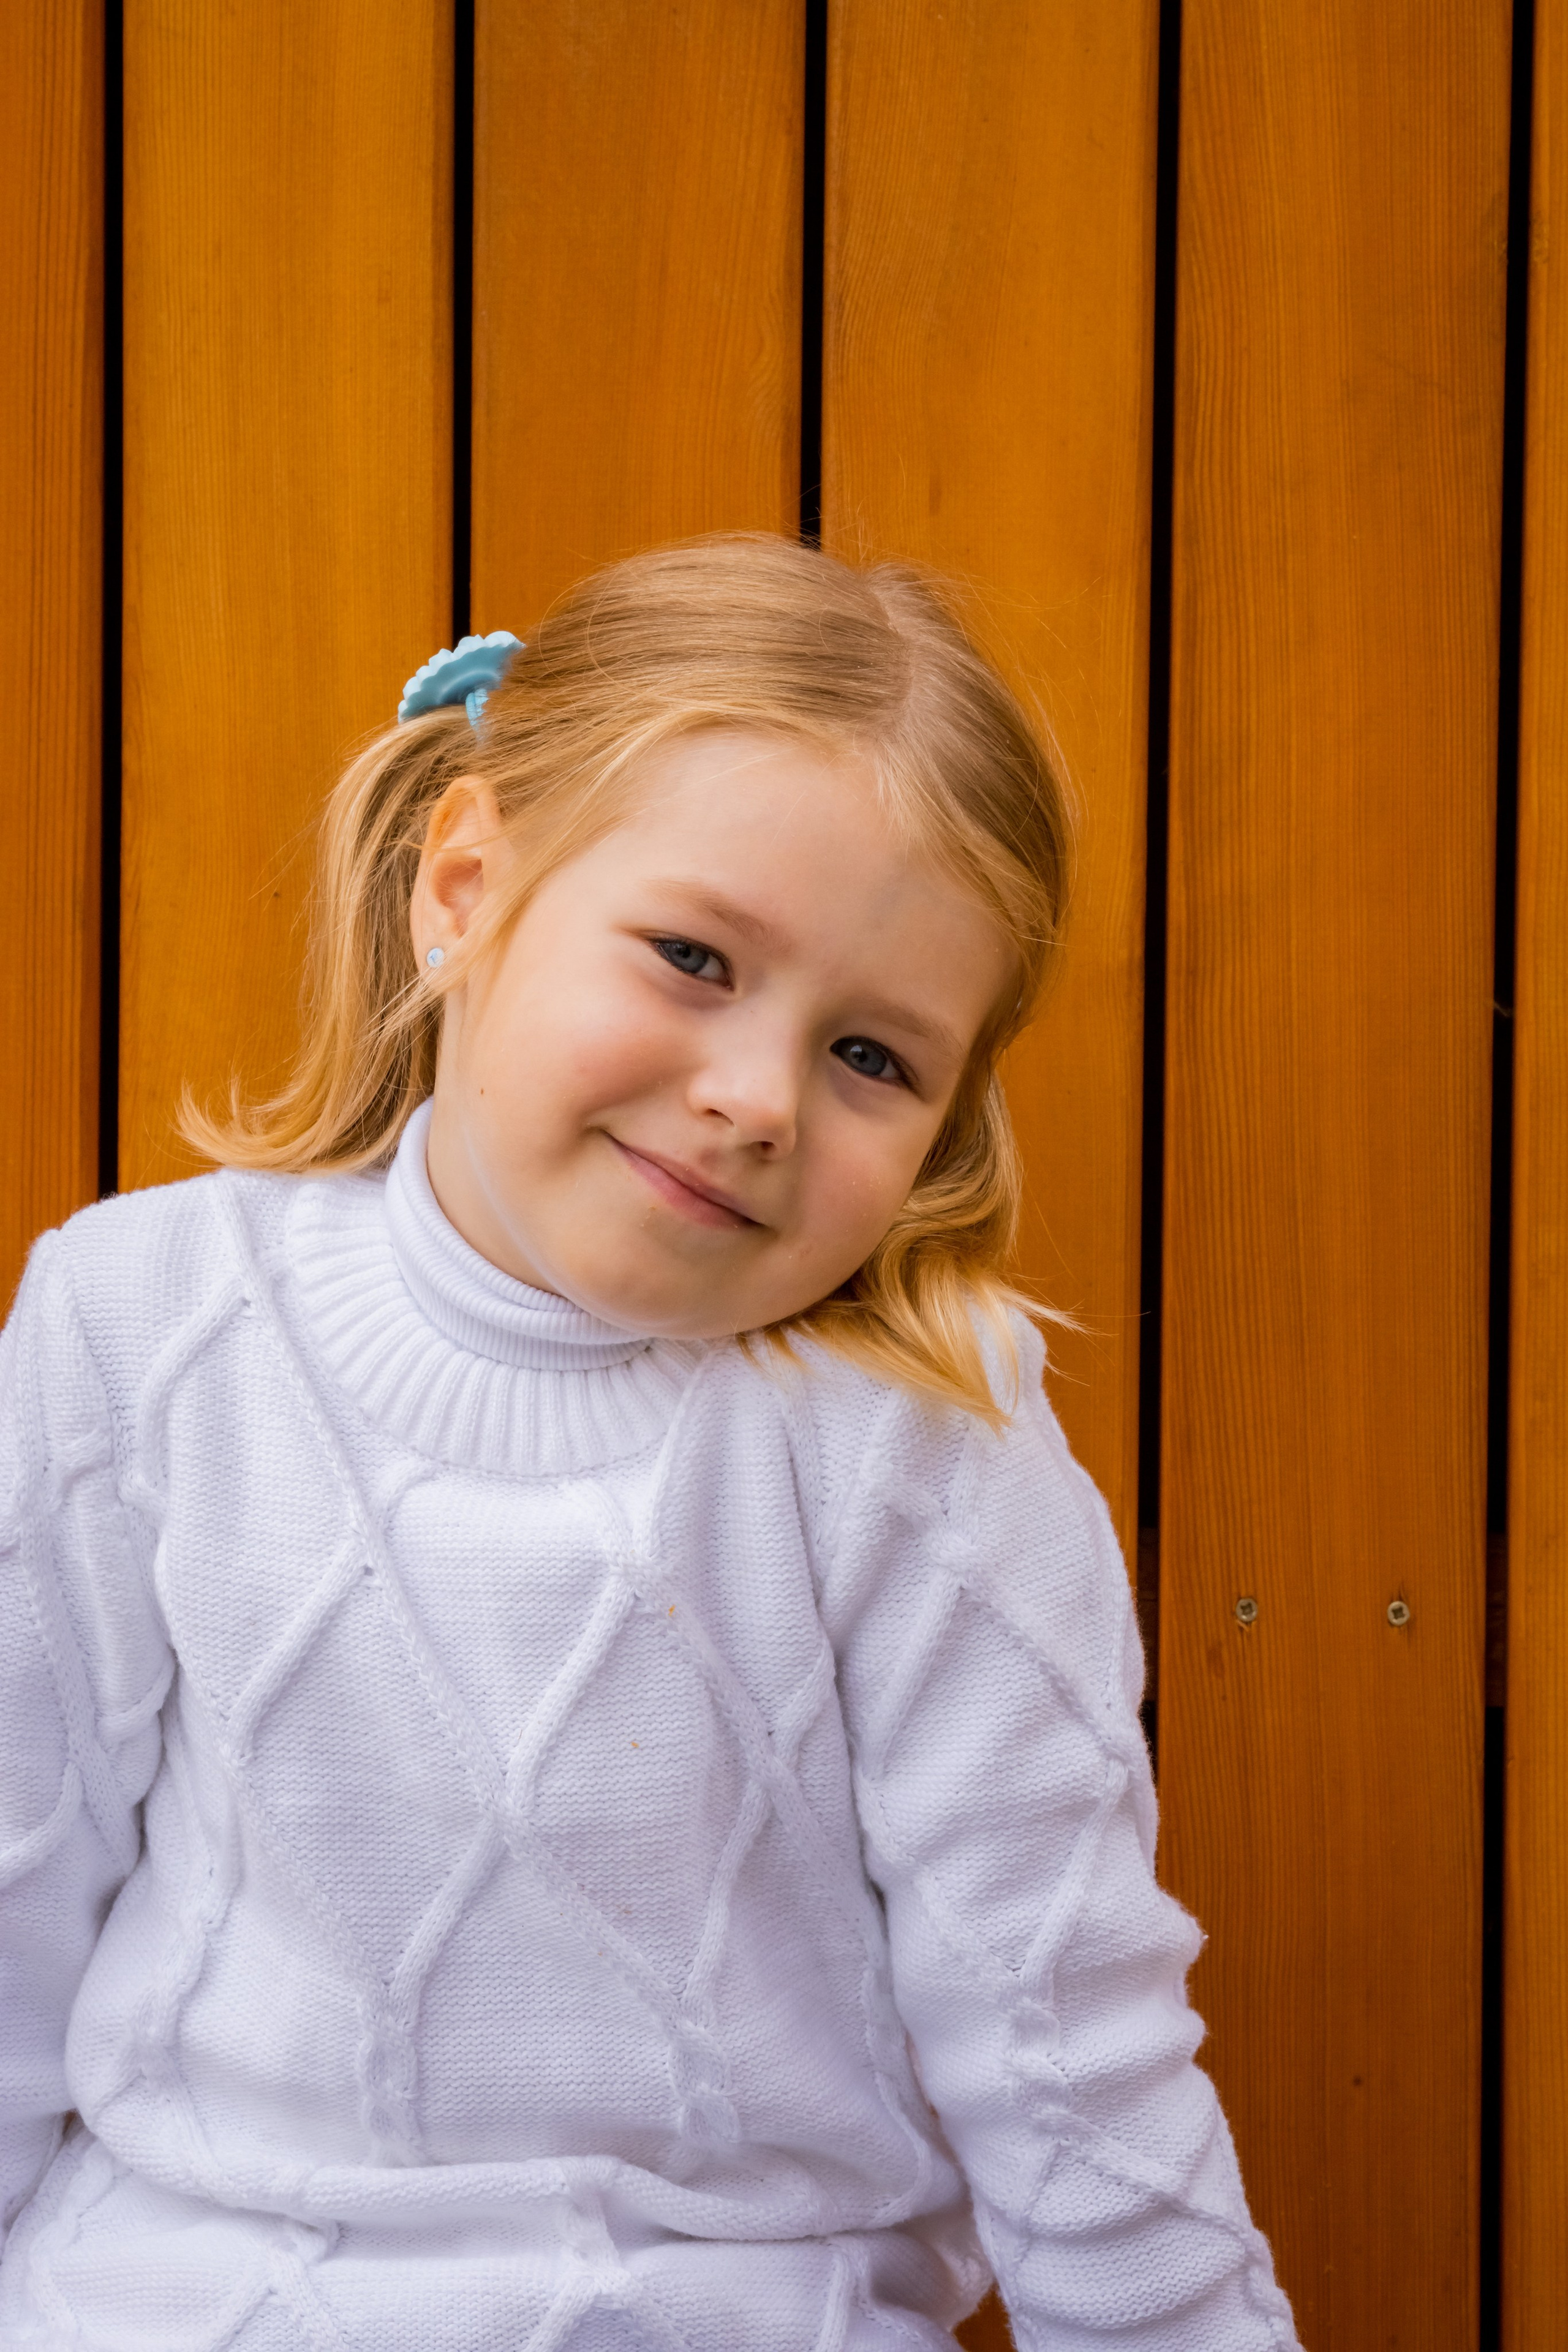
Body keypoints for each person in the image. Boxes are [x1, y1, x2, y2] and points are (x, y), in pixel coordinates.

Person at [0, 536, 1298, 2350]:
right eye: (695, 957)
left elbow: (1071, 2057)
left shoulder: (924, 1449)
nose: (757, 1098)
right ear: (465, 886)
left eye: (873, 1058)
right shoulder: (140, 1322)